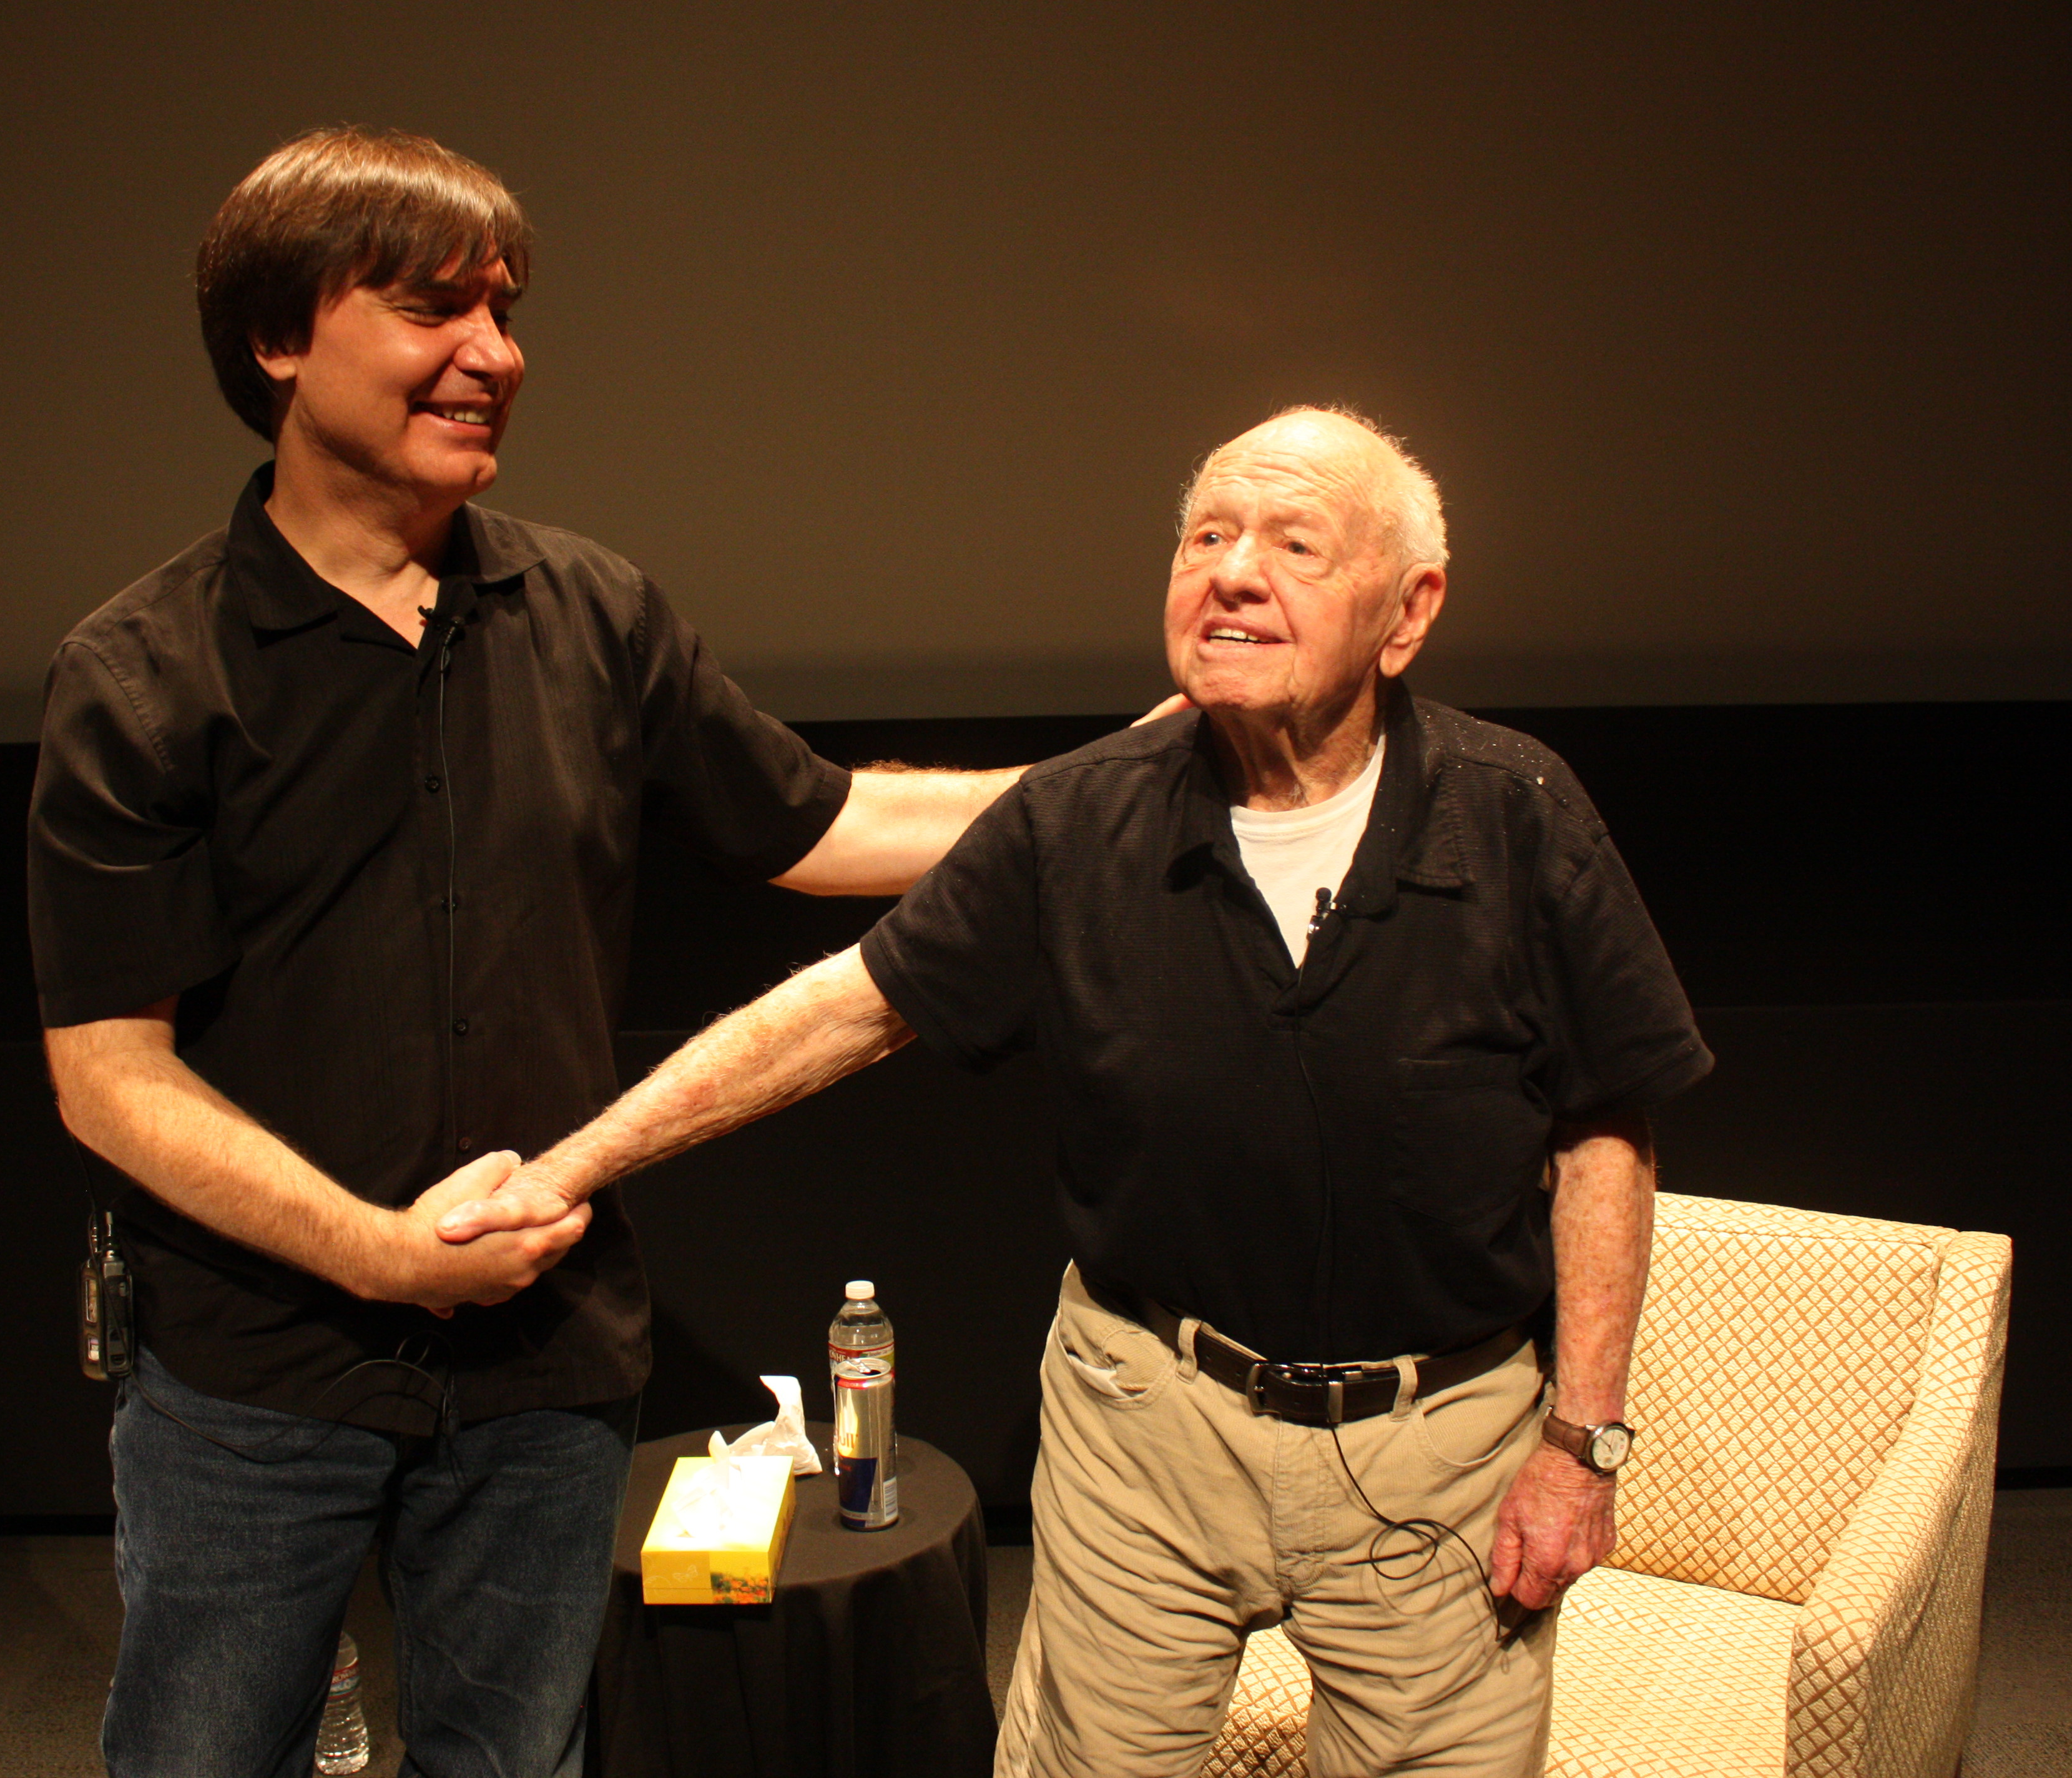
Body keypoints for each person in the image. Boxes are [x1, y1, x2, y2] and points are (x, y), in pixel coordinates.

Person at [442, 406, 1715, 1776]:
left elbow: (1605, 1126)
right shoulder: (1082, 815)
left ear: (1408, 615)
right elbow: (836, 1014)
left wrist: (1581, 1445)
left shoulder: (1516, 806)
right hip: (1147, 1426)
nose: (1231, 571)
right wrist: (567, 1166)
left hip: (1442, 1452)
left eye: (1294, 543)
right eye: (1207, 535)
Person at [26, 126, 1076, 1778]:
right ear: (281, 340)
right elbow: (108, 1076)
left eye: (506, 312)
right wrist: (378, 1253)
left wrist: (1112, 784)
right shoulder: (146, 674)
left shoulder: (594, 614)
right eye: (436, 308)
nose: (496, 356)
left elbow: (823, 827)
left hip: (538, 1366)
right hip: (253, 1383)